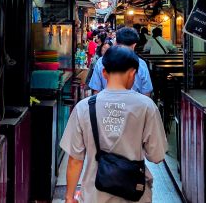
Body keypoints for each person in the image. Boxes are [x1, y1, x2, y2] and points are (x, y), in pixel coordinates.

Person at [61, 46, 168, 203]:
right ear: (133, 73)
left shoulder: (84, 107)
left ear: (104, 73)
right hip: (135, 195)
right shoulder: (146, 106)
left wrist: (69, 197)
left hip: (94, 195)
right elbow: (156, 156)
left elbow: (75, 160)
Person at [89, 27, 153, 96]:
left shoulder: (101, 61)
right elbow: (146, 93)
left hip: (106, 105)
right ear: (134, 45)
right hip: (134, 106)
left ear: (115, 43)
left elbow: (96, 91)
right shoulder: (141, 64)